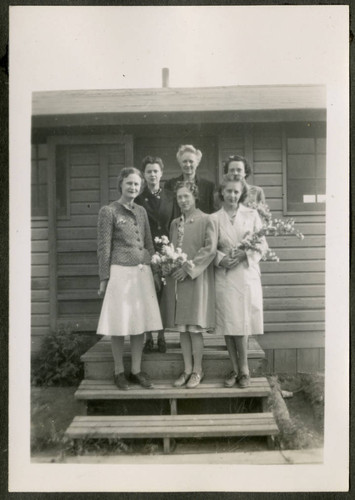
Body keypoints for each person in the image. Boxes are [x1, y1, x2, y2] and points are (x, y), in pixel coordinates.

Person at [96, 167, 163, 390]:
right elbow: (104, 248)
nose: (133, 187)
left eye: (136, 184)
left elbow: (148, 242)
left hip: (141, 272)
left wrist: (154, 269)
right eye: (129, 183)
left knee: (139, 322)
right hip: (120, 274)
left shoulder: (142, 211)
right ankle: (118, 371)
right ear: (121, 185)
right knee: (119, 322)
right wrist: (104, 278)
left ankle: (136, 370)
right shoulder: (109, 211)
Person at [212, 174, 267, 389]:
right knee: (228, 323)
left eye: (236, 191)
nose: (232, 195)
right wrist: (221, 259)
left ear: (241, 193)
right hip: (225, 274)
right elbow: (210, 247)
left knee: (241, 323)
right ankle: (234, 369)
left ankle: (244, 370)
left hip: (244, 274)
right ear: (222, 193)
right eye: (228, 191)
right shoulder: (215, 218)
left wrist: (245, 255)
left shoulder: (252, 215)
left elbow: (262, 244)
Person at [160, 181, 217, 389]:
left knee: (194, 328)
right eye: (179, 198)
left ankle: (197, 370)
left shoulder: (206, 219)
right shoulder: (175, 223)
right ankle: (186, 369)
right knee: (182, 329)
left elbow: (209, 250)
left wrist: (189, 268)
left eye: (186, 196)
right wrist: (169, 265)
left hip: (195, 278)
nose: (183, 201)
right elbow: (173, 250)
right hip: (178, 280)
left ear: (194, 197)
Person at [135, 155, 174, 354]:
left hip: (166, 250)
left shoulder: (170, 196)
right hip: (146, 251)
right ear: (144, 174)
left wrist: (172, 250)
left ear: (161, 173)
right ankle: (149, 338)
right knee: (147, 294)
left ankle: (162, 336)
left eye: (156, 171)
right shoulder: (139, 199)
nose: (152, 175)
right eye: (149, 171)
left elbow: (175, 223)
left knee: (163, 295)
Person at [164, 144, 215, 216]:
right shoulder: (170, 185)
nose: (188, 165)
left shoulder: (208, 186)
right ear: (180, 163)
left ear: (197, 163)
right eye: (184, 161)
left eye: (191, 161)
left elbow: (212, 213)